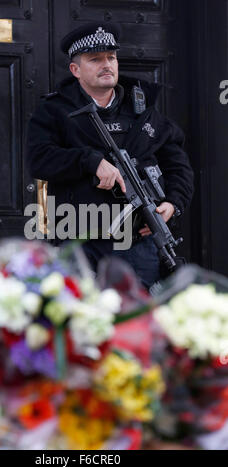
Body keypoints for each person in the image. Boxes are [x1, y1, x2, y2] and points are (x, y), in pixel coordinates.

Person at [27, 22, 194, 289]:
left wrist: (172, 204)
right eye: (95, 59)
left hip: (137, 242)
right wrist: (90, 161)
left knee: (135, 322)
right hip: (80, 239)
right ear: (76, 70)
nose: (107, 64)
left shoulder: (144, 111)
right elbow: (39, 159)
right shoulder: (54, 110)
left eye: (111, 58)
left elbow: (178, 167)